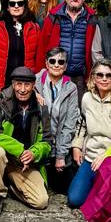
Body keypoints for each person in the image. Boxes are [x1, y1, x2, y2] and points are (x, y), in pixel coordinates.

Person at [0, 66, 51, 218]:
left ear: (33, 86)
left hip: (23, 162)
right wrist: (20, 150)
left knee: (41, 202)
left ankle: (11, 185)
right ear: (13, 85)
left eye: (27, 85)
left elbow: (47, 141)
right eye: (18, 84)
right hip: (4, 157)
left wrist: (33, 153)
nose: (22, 89)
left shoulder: (40, 108)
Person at [67, 62, 111, 207]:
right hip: (91, 158)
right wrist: (77, 146)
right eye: (100, 75)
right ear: (93, 78)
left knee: (103, 204)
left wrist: (107, 155)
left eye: (108, 75)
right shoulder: (87, 98)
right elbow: (82, 123)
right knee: (74, 200)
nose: (104, 79)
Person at [35, 47, 82, 193]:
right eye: (52, 61)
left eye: (61, 62)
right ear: (46, 63)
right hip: (38, 144)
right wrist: (33, 94)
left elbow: (69, 124)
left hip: (59, 145)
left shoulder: (71, 88)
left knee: (64, 188)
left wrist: (61, 155)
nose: (56, 65)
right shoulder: (35, 82)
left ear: (65, 66)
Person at [37, 0, 95, 98]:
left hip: (80, 77)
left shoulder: (91, 18)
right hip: (55, 74)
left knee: (77, 112)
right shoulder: (53, 17)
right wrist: (40, 75)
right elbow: (42, 47)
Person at [0, 0, 42, 94]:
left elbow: (39, 57)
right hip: (0, 85)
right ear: (7, 7)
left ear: (25, 6)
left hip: (25, 85)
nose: (16, 6)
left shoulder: (34, 29)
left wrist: (34, 76)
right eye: (12, 3)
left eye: (20, 3)